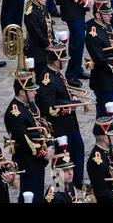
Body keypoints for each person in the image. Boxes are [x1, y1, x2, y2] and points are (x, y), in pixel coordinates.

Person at [37, 44, 85, 189]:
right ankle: (60, 189)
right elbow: (49, 108)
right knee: (63, 159)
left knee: (78, 150)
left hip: (70, 124)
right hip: (60, 128)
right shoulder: (47, 79)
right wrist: (69, 107)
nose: (65, 62)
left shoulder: (56, 72)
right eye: (63, 59)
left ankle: (77, 184)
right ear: (57, 61)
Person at [4, 72, 54, 203]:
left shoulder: (29, 103)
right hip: (28, 162)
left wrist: (49, 145)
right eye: (31, 91)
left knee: (36, 195)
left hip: (37, 161)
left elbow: (40, 124)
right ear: (22, 92)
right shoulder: (14, 113)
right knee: (29, 196)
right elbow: (26, 140)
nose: (35, 93)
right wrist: (44, 152)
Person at [85, 0, 113, 120]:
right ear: (98, 15)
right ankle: (105, 138)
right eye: (107, 14)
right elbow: (99, 59)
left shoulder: (106, 25)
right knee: (105, 114)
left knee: (112, 111)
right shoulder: (93, 33)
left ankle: (111, 137)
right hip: (103, 79)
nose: (111, 16)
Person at [24, 0, 55, 78]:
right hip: (37, 49)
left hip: (46, 44)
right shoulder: (30, 13)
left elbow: (48, 24)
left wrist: (53, 39)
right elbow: (36, 33)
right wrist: (47, 44)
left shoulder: (43, 6)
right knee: (41, 76)